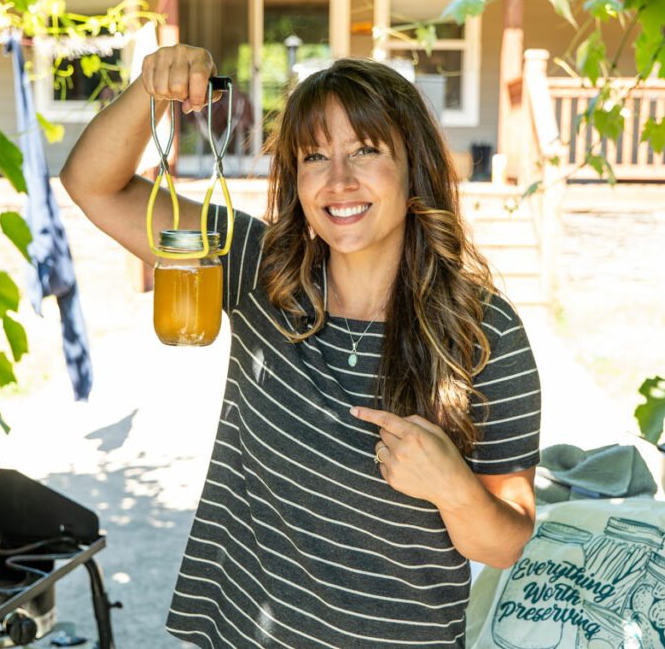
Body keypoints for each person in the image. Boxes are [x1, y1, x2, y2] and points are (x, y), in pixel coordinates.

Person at [60, 43, 541, 647]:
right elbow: (93, 186)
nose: (339, 181)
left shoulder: (483, 329)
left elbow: (507, 543)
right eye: (315, 156)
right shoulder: (258, 269)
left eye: (365, 150)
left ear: (413, 165)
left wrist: (452, 487)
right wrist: (149, 94)